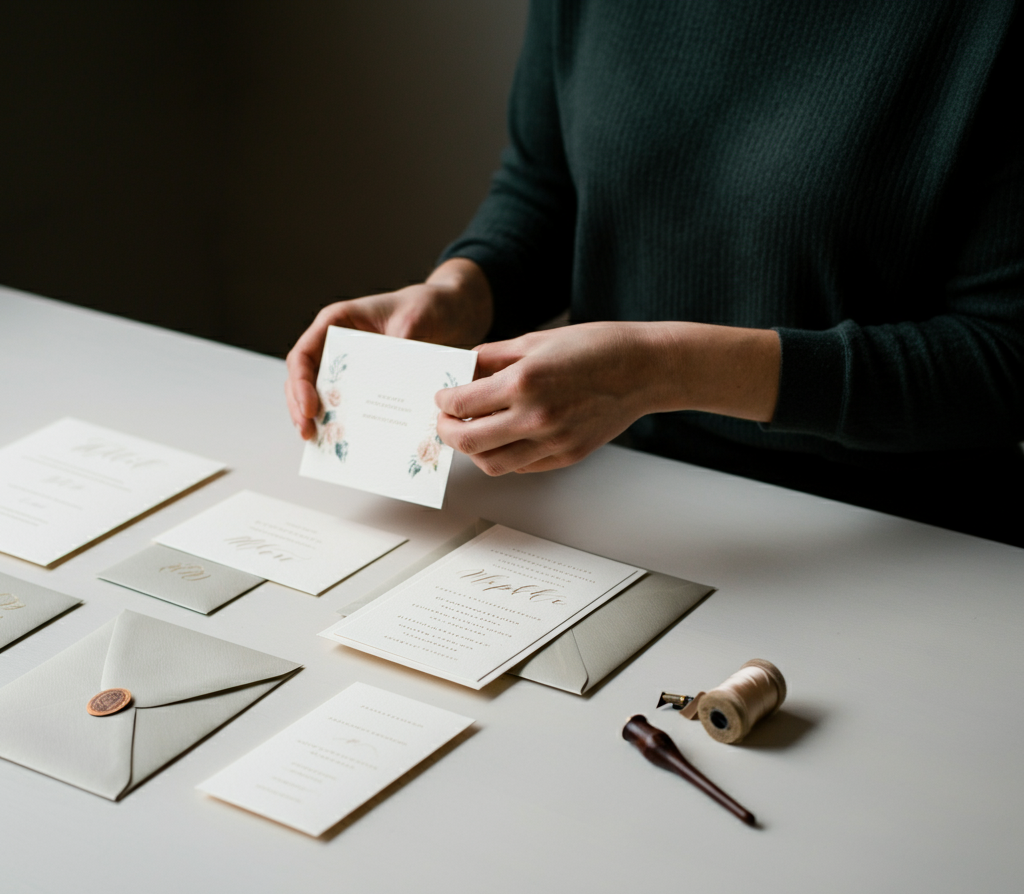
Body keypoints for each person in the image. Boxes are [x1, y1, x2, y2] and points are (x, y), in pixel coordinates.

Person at [286, 0, 1024, 545]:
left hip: (898, 538)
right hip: (620, 500)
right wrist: (458, 293)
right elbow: (548, 186)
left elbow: (1005, 363)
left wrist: (661, 370)